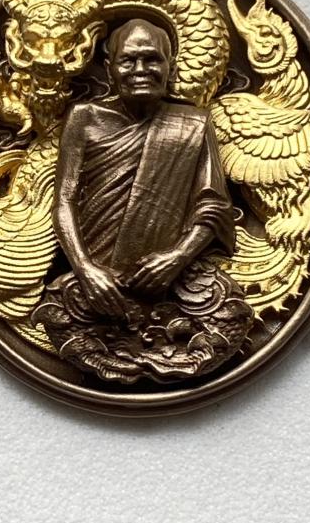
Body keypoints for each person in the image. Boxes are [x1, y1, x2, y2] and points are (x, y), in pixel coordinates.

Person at [50, 17, 236, 319]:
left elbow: (213, 207)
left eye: (152, 59)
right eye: (128, 61)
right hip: (93, 282)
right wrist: (85, 268)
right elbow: (64, 200)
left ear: (170, 67)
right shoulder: (84, 117)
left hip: (169, 283)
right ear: (109, 67)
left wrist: (178, 257)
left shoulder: (193, 123)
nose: (140, 70)